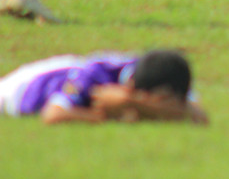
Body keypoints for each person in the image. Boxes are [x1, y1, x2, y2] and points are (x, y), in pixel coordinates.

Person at [0, 49, 207, 124]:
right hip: (18, 89)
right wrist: (110, 117)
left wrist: (132, 104)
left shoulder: (166, 72)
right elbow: (53, 116)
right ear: (131, 86)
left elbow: (199, 117)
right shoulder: (93, 76)